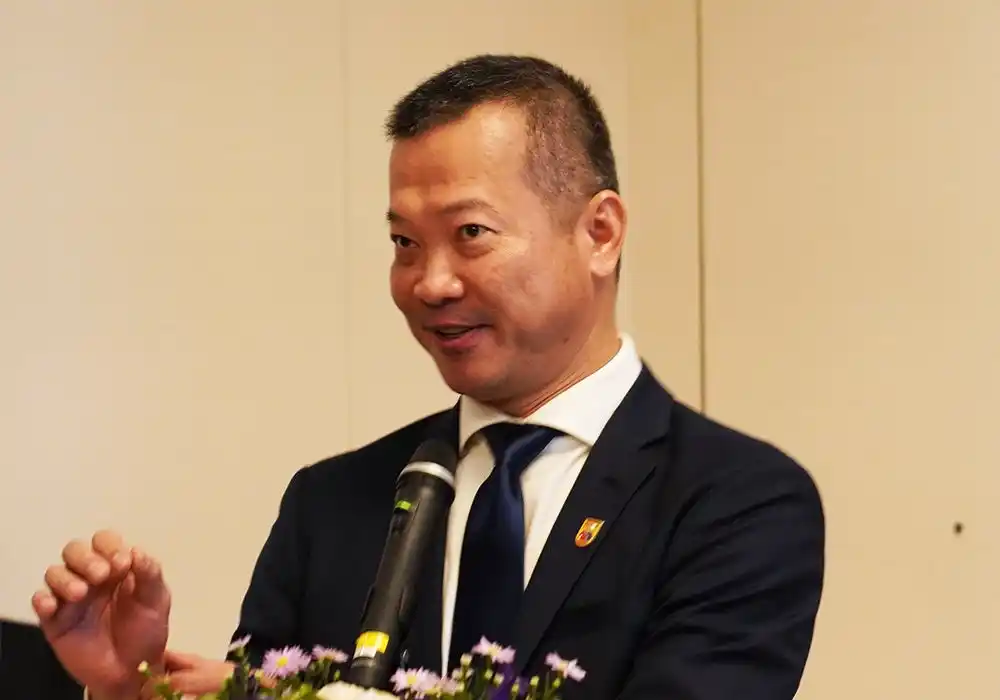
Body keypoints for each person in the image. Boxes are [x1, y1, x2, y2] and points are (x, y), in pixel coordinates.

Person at [32, 54, 825, 700]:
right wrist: (130, 689)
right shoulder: (332, 504)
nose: (430, 283)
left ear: (600, 232)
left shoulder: (735, 500)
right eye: (404, 244)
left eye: (470, 233)